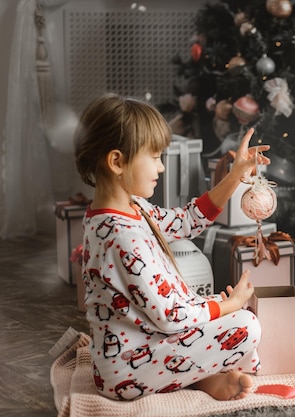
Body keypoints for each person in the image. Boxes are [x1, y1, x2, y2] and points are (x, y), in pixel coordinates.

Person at [73, 93, 270, 401]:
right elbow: (171, 317)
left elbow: (187, 221)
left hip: (151, 340)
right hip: (129, 367)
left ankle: (204, 377)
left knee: (220, 310)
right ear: (117, 162)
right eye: (153, 157)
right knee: (246, 325)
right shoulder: (121, 235)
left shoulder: (131, 208)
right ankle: (204, 377)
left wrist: (235, 177)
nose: (161, 167)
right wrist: (228, 307)